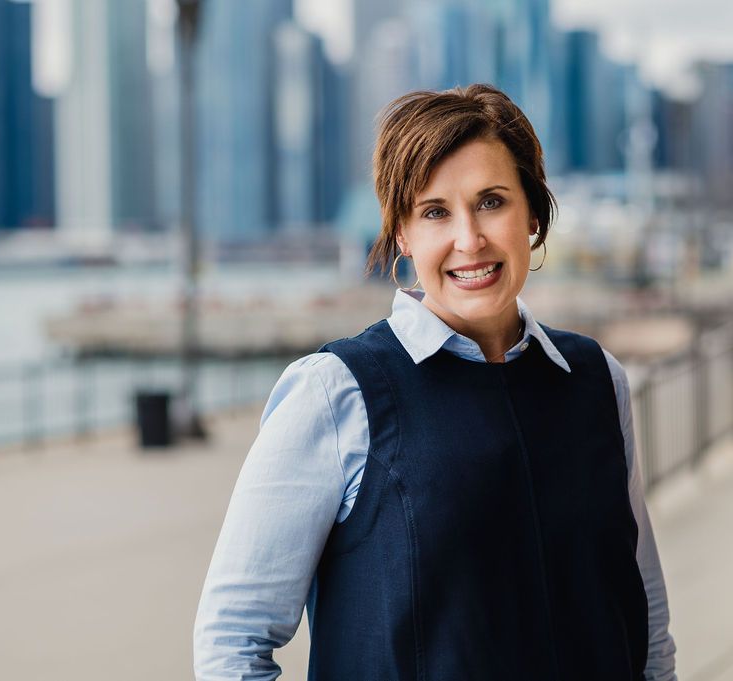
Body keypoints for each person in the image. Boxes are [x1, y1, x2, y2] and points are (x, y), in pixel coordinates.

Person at [193, 84, 677, 681]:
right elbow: (233, 640)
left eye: (492, 201)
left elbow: (643, 615)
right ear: (402, 233)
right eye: (435, 212)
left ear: (533, 212)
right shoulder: (336, 393)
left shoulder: (597, 381)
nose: (468, 239)